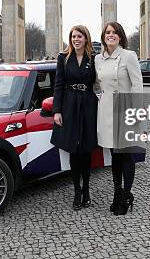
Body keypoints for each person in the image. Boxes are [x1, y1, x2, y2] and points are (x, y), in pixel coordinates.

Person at [95, 22, 143, 216]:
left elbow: (137, 84)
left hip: (125, 108)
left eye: (114, 32)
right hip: (106, 109)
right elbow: (95, 84)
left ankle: (126, 195)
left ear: (121, 37)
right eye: (108, 32)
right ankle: (116, 193)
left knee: (126, 154)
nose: (111, 35)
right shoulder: (98, 58)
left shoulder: (128, 56)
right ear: (103, 36)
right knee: (115, 154)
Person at [51, 25, 98, 211]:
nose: (76, 39)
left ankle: (86, 190)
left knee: (86, 151)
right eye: (73, 36)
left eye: (79, 36)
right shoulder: (63, 58)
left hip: (88, 104)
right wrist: (57, 110)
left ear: (86, 38)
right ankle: (77, 191)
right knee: (73, 150)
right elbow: (58, 85)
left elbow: (103, 81)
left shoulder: (94, 59)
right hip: (69, 105)